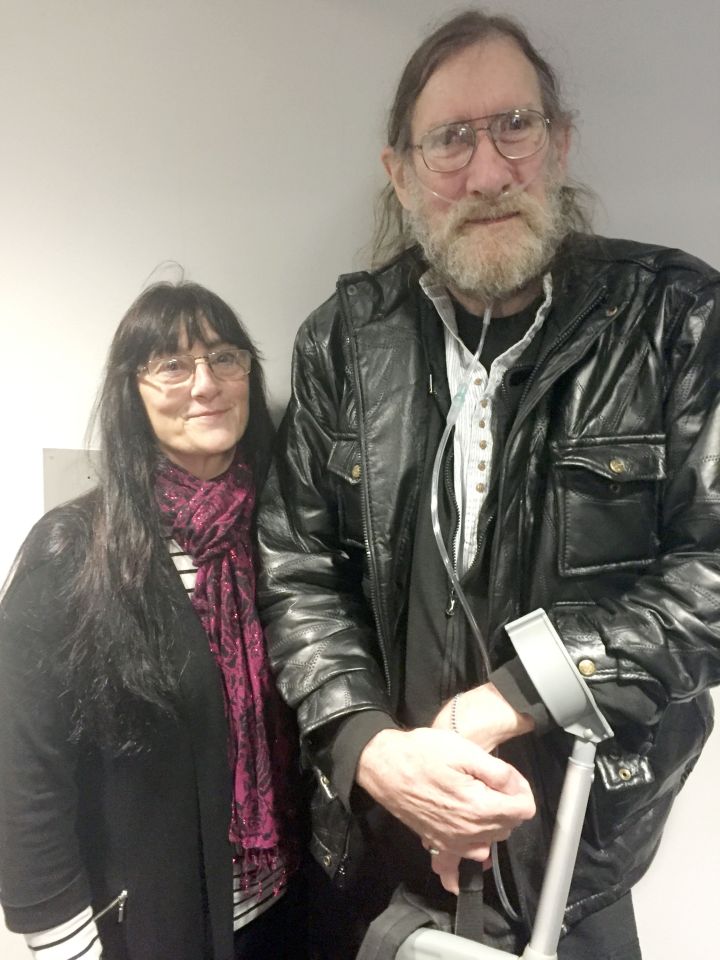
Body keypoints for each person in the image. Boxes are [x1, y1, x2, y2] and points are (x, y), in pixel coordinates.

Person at [256, 9, 720, 960]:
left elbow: (713, 574)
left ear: (558, 142)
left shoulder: (678, 319)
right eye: (450, 140)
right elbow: (296, 566)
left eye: (514, 126)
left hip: (575, 857)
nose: (488, 170)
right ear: (401, 170)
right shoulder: (341, 342)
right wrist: (371, 749)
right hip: (381, 865)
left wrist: (512, 696)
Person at [0, 282, 308, 960]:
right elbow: (25, 776)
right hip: (153, 930)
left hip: (285, 911)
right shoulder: (74, 552)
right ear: (131, 392)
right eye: (171, 365)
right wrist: (67, 946)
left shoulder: (286, 535)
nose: (206, 383)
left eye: (225, 357)